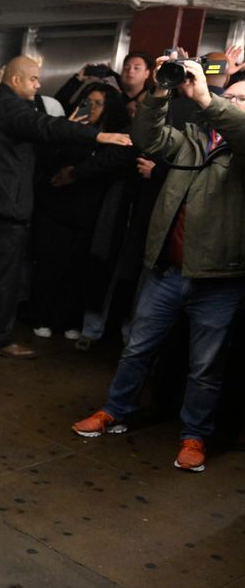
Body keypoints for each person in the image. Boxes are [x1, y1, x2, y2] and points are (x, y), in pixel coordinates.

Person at [72, 64, 245, 473]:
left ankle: (194, 435)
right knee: (137, 349)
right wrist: (159, 95)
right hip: (167, 271)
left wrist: (206, 97)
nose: (230, 103)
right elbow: (147, 138)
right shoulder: (194, 140)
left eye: (239, 101)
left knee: (205, 367)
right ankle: (116, 409)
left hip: (219, 279)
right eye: (230, 96)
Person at [0, 55, 133, 359]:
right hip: (3, 208)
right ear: (16, 79)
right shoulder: (14, 108)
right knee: (3, 281)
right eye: (34, 79)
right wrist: (99, 135)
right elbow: (44, 126)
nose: (38, 84)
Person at [30, 83, 136, 340]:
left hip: (89, 213)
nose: (91, 107)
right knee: (50, 265)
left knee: (78, 271)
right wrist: (67, 128)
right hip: (55, 209)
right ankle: (43, 318)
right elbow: (47, 161)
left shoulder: (115, 136)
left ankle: (71, 321)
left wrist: (76, 173)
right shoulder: (69, 129)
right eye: (87, 101)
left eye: (98, 103)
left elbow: (111, 162)